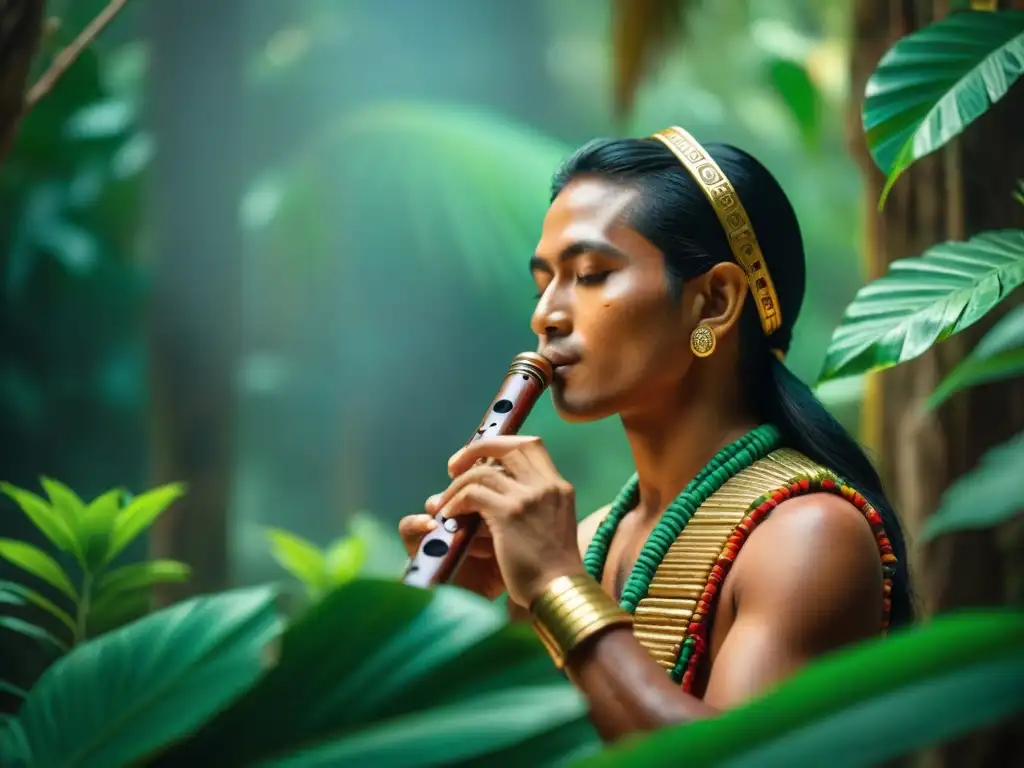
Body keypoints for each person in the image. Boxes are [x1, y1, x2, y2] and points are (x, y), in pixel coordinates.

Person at [398, 126, 912, 741]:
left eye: (589, 274)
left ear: (714, 301)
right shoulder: (588, 540)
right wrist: (472, 619)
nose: (546, 314)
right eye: (544, 283)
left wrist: (558, 588)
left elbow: (736, 760)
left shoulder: (811, 535)